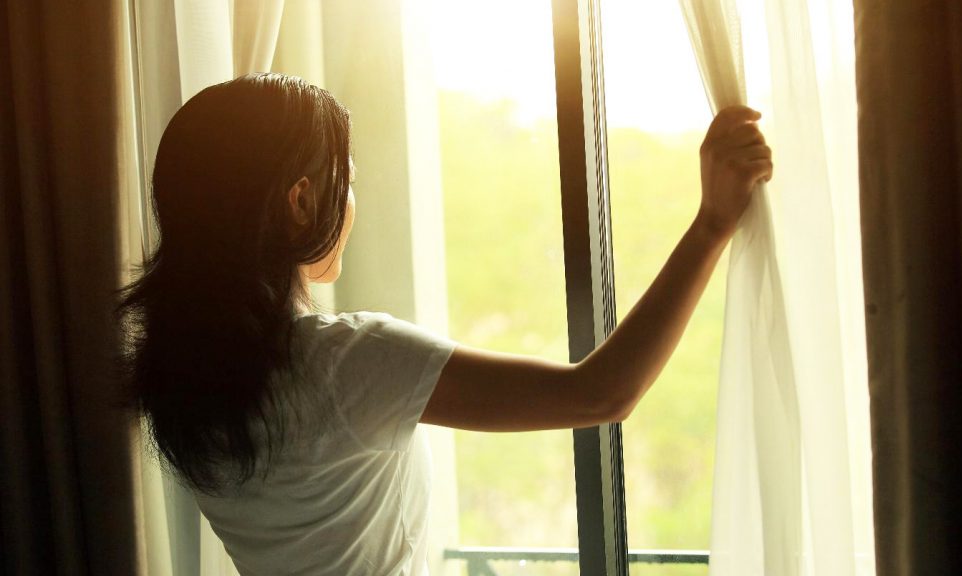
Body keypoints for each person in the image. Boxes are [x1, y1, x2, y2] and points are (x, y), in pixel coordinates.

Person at [118, 73, 771, 575]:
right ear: (301, 201)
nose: (352, 202)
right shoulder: (348, 364)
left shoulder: (179, 378)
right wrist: (712, 224)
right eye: (347, 180)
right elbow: (600, 393)